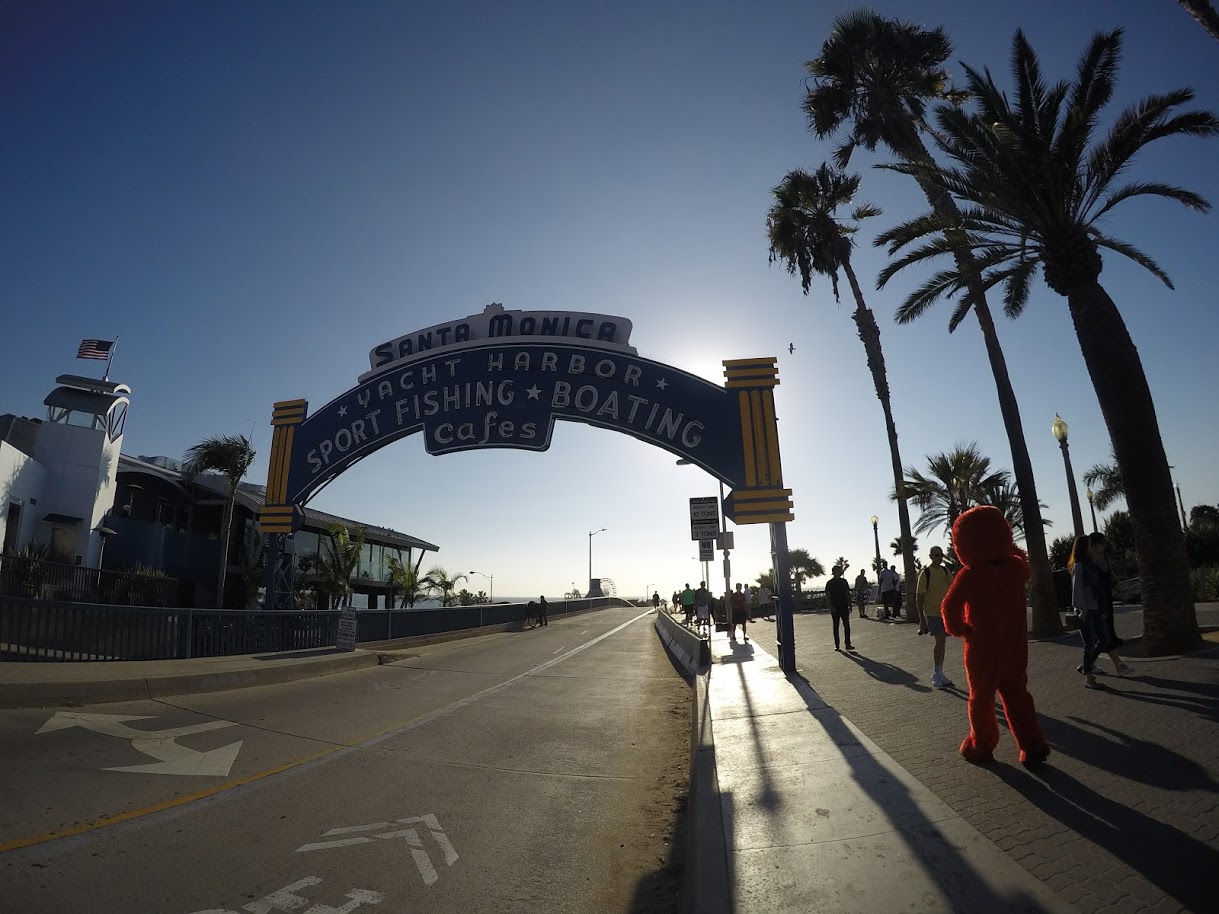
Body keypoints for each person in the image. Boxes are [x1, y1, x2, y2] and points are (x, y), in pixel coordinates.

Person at [1069, 536, 1110, 688]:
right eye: (1089, 545)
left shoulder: (1090, 565)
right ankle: (1088, 677)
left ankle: (1085, 666)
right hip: (1085, 610)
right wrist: (1082, 610)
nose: (1091, 547)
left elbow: (1102, 578)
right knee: (1090, 643)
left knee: (1104, 639)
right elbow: (1077, 591)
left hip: (1095, 608)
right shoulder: (1079, 566)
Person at [1090, 532, 1133, 675]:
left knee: (1101, 633)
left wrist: (1118, 590)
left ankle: (1088, 664)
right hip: (1095, 601)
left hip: (1104, 597)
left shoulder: (1104, 559)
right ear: (1094, 545)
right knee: (1103, 633)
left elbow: (1110, 576)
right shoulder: (1088, 562)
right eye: (1102, 543)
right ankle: (1117, 665)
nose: (1104, 546)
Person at [916, 546, 955, 688]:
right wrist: (921, 619)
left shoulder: (945, 571)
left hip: (944, 612)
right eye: (936, 555)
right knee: (940, 639)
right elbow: (919, 598)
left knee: (942, 642)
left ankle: (939, 672)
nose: (939, 557)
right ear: (931, 556)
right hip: (932, 612)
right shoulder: (925, 573)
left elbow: (954, 587)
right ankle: (936, 673)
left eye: (941, 555)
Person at [824, 565, 854, 651]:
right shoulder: (830, 583)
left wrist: (850, 604)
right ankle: (837, 645)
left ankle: (848, 644)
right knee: (836, 626)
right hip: (835, 606)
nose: (840, 572)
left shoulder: (844, 581)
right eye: (838, 571)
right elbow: (828, 595)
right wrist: (830, 606)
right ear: (834, 572)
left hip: (844, 605)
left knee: (846, 625)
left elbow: (847, 593)